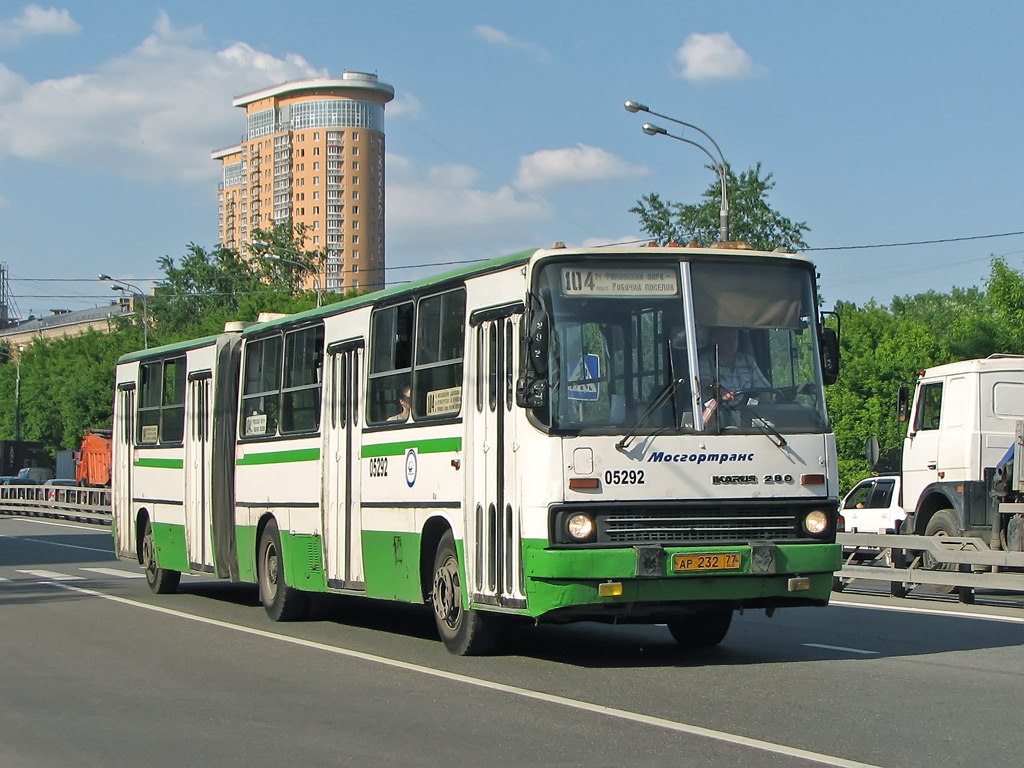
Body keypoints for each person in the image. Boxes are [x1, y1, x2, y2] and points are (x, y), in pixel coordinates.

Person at [699, 326, 770, 405]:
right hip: (717, 413)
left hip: (745, 413)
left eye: (734, 336)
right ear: (715, 338)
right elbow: (705, 384)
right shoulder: (705, 361)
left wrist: (768, 409)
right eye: (727, 337)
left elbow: (763, 389)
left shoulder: (747, 360)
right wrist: (719, 392)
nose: (731, 341)